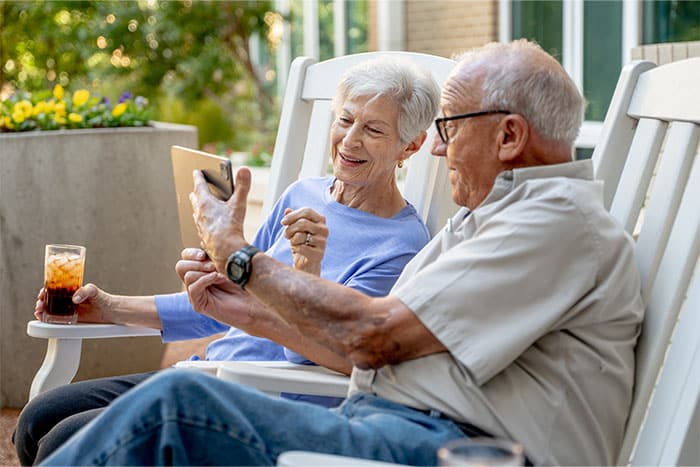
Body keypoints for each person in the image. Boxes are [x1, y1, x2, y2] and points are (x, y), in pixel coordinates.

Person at [41, 40, 644, 466]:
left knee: (175, 408)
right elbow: (366, 349)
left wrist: (238, 254)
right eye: (345, 121)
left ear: (509, 135)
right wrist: (238, 302)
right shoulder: (498, 219)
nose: (439, 150)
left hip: (462, 448)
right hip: (390, 420)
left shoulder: (552, 224)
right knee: (107, 414)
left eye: (450, 127)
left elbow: (370, 336)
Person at [15, 57, 440, 466]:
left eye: (374, 129)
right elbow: (231, 308)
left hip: (267, 397)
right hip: (211, 373)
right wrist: (108, 306)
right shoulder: (302, 195)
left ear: (412, 144)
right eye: (345, 120)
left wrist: (307, 270)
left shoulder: (400, 245)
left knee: (63, 438)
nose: (350, 140)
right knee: (39, 419)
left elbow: (324, 353)